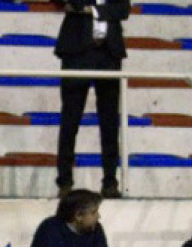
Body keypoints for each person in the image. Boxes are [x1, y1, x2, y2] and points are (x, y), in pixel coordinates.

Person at [53, 0, 131, 199]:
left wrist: (90, 10)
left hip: (109, 53)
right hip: (77, 51)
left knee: (110, 121)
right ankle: (65, 181)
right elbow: (70, 4)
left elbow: (122, 9)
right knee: (70, 119)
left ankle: (110, 180)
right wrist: (101, 10)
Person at [27, 188, 113, 247]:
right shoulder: (50, 228)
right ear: (78, 216)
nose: (98, 216)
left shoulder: (96, 229)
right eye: (93, 212)